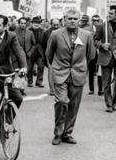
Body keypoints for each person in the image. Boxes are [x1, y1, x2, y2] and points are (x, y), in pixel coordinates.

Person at [46, 10, 96, 146]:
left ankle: (67, 133)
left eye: (75, 18)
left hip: (78, 73)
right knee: (61, 102)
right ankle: (58, 132)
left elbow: (91, 55)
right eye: (70, 18)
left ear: (79, 20)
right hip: (60, 73)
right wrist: (56, 67)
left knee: (73, 105)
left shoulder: (87, 35)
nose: (72, 21)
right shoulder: (56, 34)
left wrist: (81, 67)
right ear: (64, 19)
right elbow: (49, 54)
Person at [94, 5, 116, 112]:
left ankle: (114, 100)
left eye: (111, 13)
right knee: (106, 83)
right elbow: (95, 40)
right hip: (105, 57)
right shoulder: (101, 26)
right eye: (108, 13)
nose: (109, 15)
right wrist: (102, 45)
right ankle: (108, 104)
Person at [42, 18, 61, 96]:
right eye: (54, 25)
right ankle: (52, 90)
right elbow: (43, 44)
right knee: (51, 72)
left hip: (60, 54)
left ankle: (58, 89)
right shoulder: (46, 33)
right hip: (50, 54)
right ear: (51, 24)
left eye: (57, 25)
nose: (56, 26)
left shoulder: (62, 31)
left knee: (59, 72)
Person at [87, 15, 102, 95]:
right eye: (94, 20)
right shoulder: (88, 30)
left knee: (100, 72)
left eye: (97, 20)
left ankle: (100, 89)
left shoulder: (103, 28)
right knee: (91, 72)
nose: (95, 22)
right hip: (91, 52)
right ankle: (91, 89)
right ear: (91, 21)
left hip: (100, 52)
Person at [28, 16, 45, 88]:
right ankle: (29, 81)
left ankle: (39, 82)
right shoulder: (28, 31)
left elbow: (45, 42)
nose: (36, 24)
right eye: (35, 23)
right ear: (31, 23)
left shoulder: (43, 31)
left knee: (41, 67)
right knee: (29, 67)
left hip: (40, 52)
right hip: (30, 52)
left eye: (38, 23)